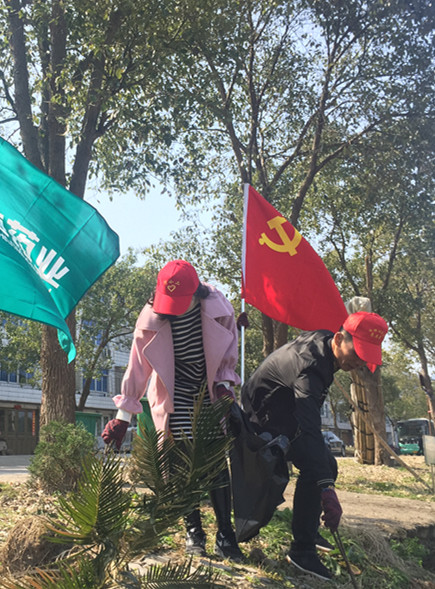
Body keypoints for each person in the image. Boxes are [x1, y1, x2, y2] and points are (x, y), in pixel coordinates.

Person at [102, 259, 244, 562]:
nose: (175, 310)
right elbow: (137, 367)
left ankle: (225, 535)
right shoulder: (150, 318)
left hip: (209, 389)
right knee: (180, 461)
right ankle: (194, 531)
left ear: (197, 293)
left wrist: (224, 386)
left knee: (215, 462)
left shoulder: (220, 309)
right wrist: (123, 416)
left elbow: (229, 351)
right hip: (173, 390)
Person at [241, 311, 388, 581]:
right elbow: (308, 426)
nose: (360, 362)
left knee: (326, 464)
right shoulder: (310, 366)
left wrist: (325, 482)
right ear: (340, 338)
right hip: (263, 419)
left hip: (285, 414)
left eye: (367, 356)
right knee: (318, 468)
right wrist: (327, 489)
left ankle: (307, 530)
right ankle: (303, 550)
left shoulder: (325, 346)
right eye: (358, 353)